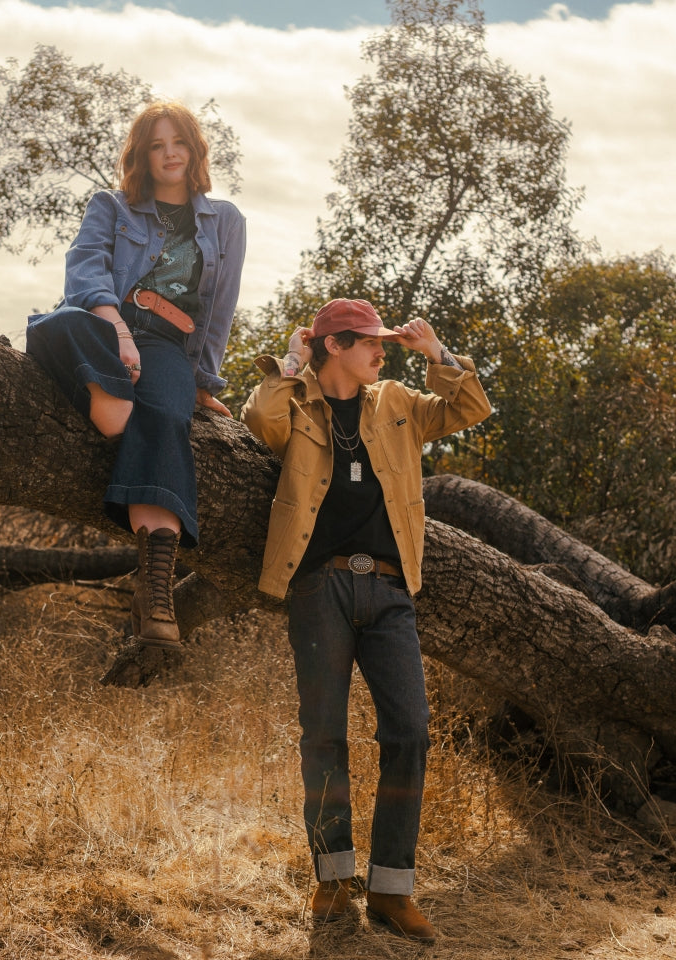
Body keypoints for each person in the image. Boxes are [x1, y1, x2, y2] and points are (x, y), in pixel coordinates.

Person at [241, 298, 491, 943]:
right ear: (335, 346)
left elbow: (470, 409)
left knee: (408, 731)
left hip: (389, 589)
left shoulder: (400, 401)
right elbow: (258, 420)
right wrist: (292, 362)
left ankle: (391, 888)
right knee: (323, 733)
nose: (383, 350)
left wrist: (438, 355)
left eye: (384, 342)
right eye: (371, 342)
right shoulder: (297, 402)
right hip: (319, 587)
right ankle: (332, 877)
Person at [26, 101, 245, 649]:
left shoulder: (227, 221)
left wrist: (202, 381)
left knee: (169, 416)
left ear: (194, 150)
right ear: (142, 154)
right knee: (60, 325)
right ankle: (120, 406)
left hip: (168, 344)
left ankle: (155, 595)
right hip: (103, 325)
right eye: (157, 144)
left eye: (179, 143)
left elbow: (219, 311)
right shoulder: (112, 205)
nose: (170, 153)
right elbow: (86, 264)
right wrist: (117, 330)